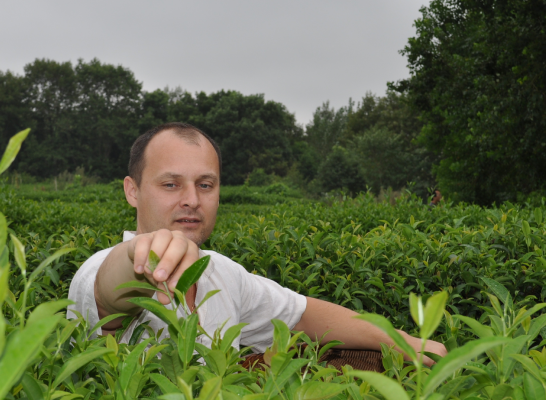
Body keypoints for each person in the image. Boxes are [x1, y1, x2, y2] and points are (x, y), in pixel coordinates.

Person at [67, 123, 447, 365]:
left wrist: (407, 342)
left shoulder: (220, 272)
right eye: (170, 184)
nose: (191, 200)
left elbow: (303, 315)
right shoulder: (100, 267)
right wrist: (140, 254)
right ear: (132, 191)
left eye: (205, 184)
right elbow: (109, 292)